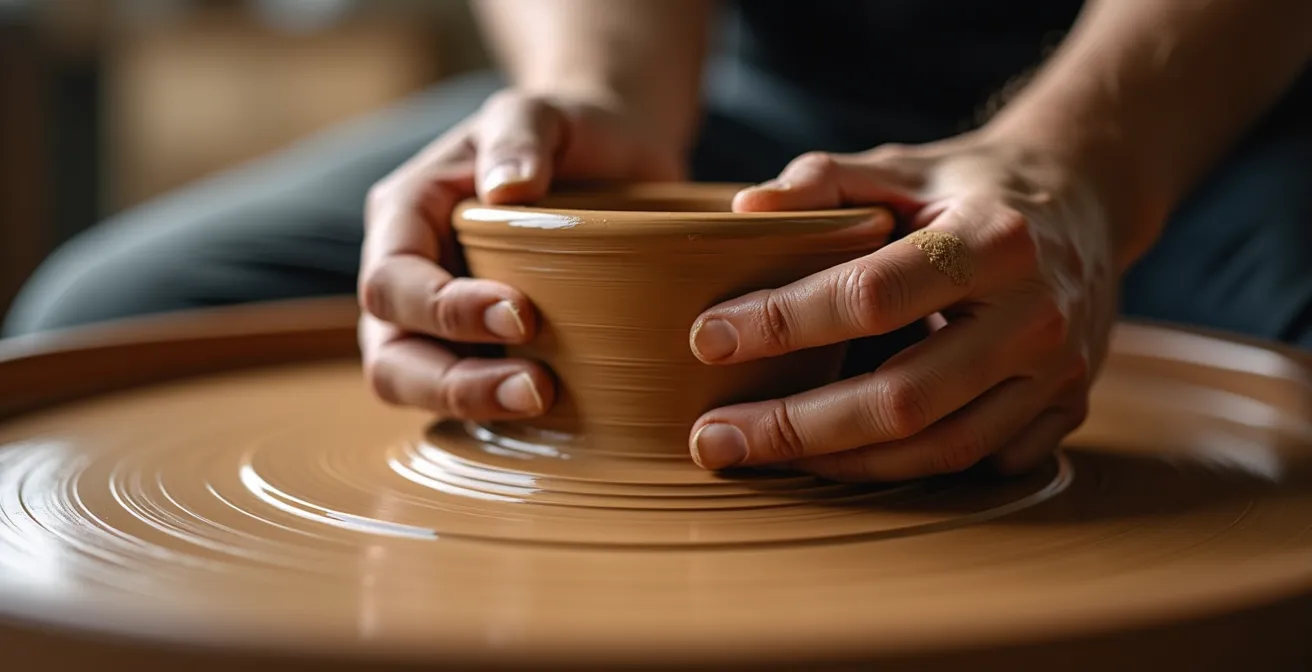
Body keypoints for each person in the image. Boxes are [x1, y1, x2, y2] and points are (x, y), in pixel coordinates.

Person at [7, 1, 1311, 481]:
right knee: (114, 318)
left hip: (1200, 119)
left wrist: (1072, 171)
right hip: (759, 102)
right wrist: (602, 96)